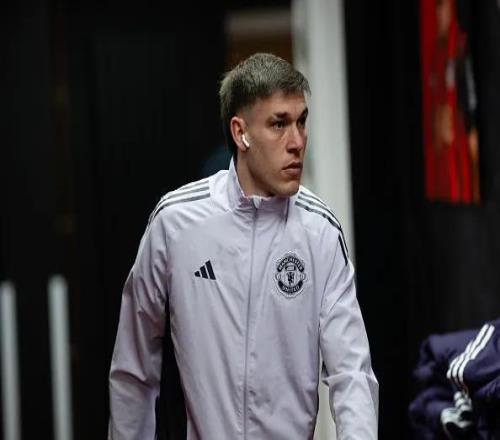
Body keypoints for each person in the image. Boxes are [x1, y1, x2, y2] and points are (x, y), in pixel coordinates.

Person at [108, 52, 378, 439]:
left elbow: (351, 374)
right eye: (279, 124)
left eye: (301, 122)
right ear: (241, 133)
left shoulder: (320, 231)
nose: (297, 142)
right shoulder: (176, 223)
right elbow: (133, 370)